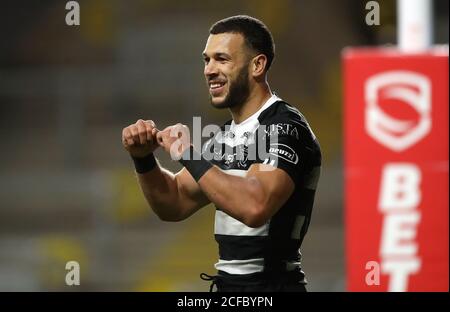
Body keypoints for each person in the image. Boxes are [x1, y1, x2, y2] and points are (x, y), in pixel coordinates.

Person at [121, 15, 321, 292]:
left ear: (257, 65)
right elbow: (173, 203)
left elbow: (255, 207)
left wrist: (188, 154)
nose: (209, 70)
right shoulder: (224, 136)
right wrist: (143, 158)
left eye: (222, 59)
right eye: (207, 60)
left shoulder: (284, 127)